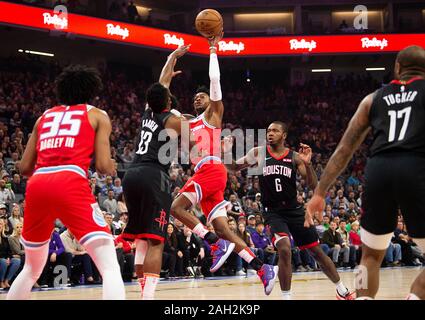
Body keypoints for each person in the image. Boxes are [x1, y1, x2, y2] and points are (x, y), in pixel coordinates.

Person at [306, 45, 425, 300]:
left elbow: (343, 150)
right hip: (416, 166)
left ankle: (362, 298)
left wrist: (319, 192)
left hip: (378, 170)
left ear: (397, 69)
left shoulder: (373, 99)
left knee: (369, 255)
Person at [169, 35, 277, 295]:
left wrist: (213, 50)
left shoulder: (213, 115)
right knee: (224, 230)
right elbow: (161, 102)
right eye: (195, 97)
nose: (198, 99)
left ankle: (213, 242)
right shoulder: (185, 120)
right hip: (207, 174)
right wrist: (170, 63)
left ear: (211, 101)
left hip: (211, 169)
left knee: (176, 208)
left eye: (202, 96)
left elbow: (215, 82)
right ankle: (262, 267)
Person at [7, 65, 125, 300]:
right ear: (92, 90)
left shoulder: (44, 117)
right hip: (70, 179)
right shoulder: (97, 114)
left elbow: (24, 168)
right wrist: (113, 164)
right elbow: (103, 167)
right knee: (110, 265)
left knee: (31, 269)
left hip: (38, 183)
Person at [225, 121, 354, 300]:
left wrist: (308, 165)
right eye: (269, 130)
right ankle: (287, 297)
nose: (270, 133)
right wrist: (225, 151)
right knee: (284, 249)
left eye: (275, 131)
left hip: (295, 210)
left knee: (316, 251)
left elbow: (312, 185)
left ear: (284, 135)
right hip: (273, 213)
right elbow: (233, 167)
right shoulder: (259, 153)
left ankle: (342, 290)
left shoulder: (294, 157)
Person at [121, 77, 192, 298]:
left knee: (141, 239)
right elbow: (191, 144)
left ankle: (143, 291)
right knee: (155, 240)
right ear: (168, 103)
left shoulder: (147, 112)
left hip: (131, 174)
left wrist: (171, 59)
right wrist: (185, 120)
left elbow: (162, 82)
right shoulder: (173, 120)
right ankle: (149, 296)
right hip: (153, 175)